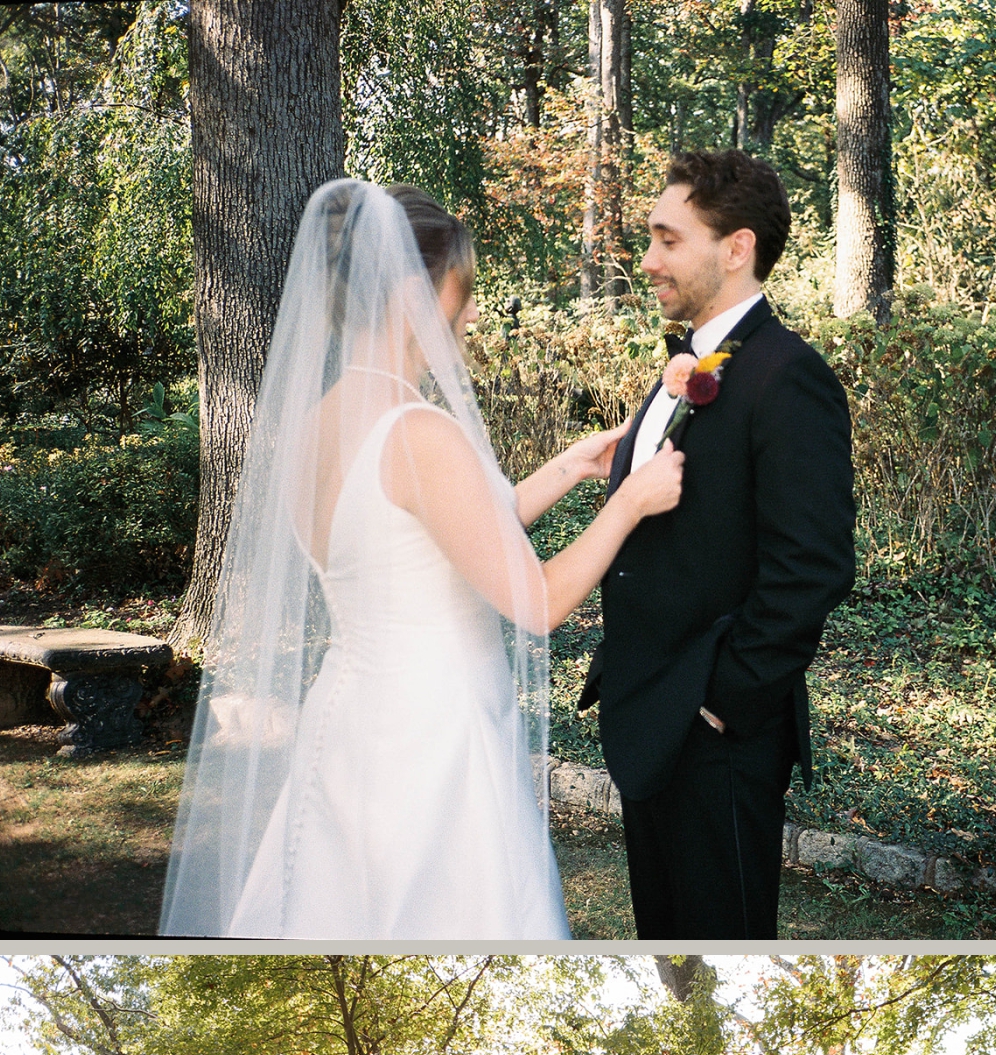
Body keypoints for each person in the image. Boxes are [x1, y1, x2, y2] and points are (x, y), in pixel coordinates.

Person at [160, 178, 683, 940]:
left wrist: (569, 468)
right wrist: (629, 503)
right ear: (413, 294)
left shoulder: (312, 425)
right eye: (461, 290)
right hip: (432, 739)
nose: (471, 312)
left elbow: (434, 539)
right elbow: (535, 601)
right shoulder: (419, 433)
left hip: (350, 721)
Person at [579, 149, 857, 940]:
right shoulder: (685, 366)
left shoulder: (788, 375)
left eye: (668, 239)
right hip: (646, 721)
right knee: (665, 940)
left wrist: (724, 701)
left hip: (715, 740)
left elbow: (813, 565)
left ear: (736, 248)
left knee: (724, 940)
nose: (648, 259)